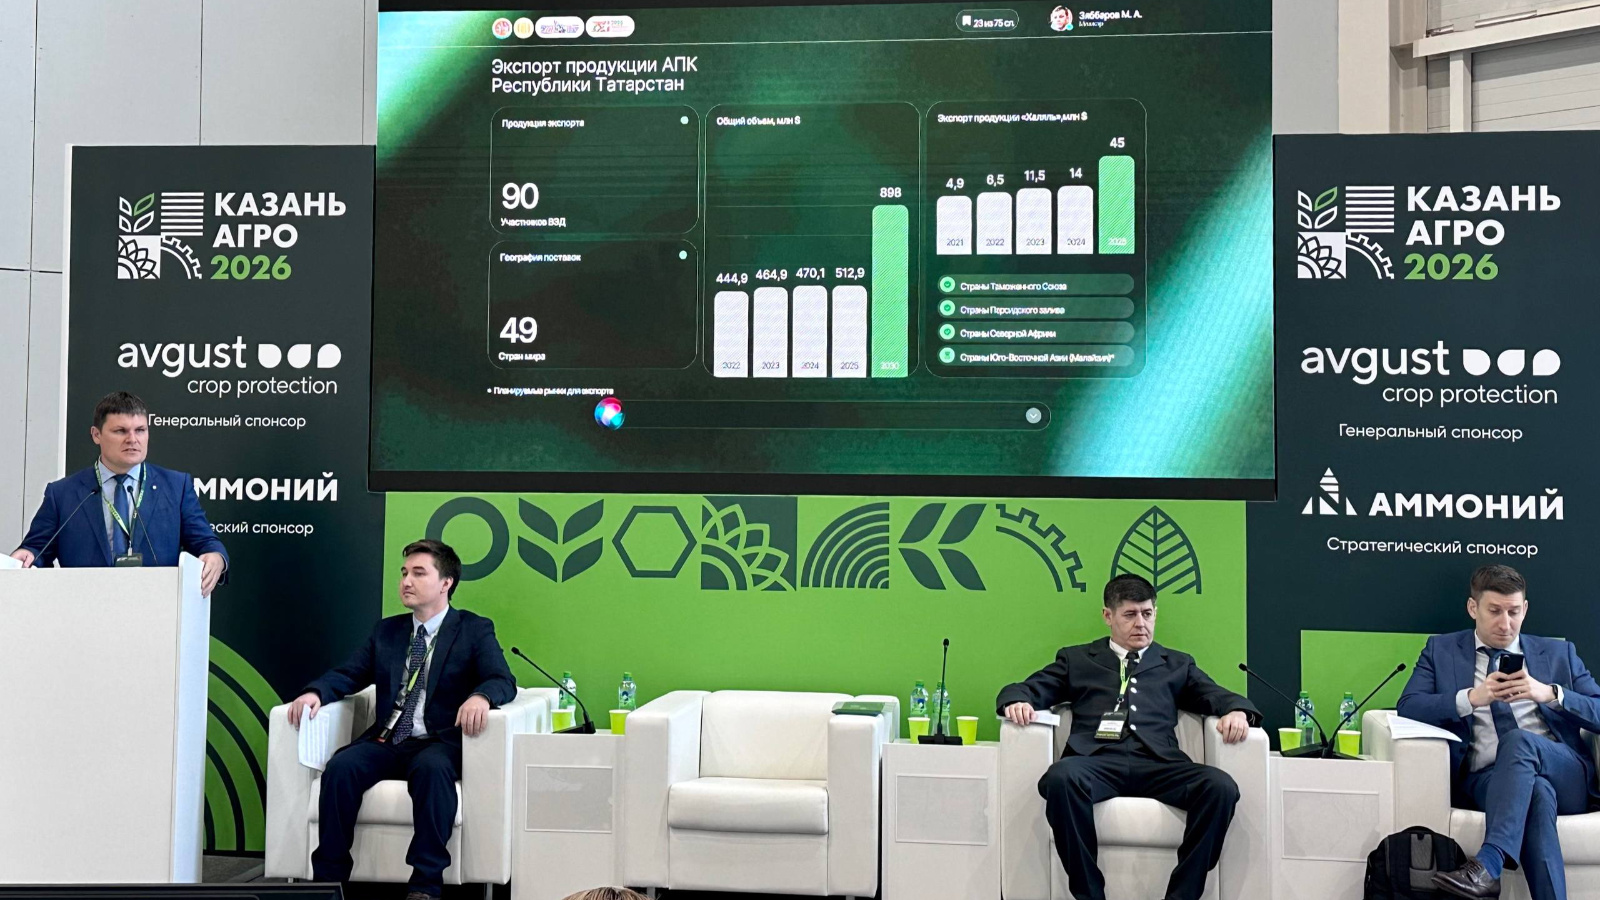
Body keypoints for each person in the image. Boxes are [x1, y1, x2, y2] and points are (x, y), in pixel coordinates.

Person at [995, 573, 1260, 900]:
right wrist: (1017, 701)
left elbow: (1216, 695)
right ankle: (1089, 895)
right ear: (1108, 616)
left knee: (1220, 787)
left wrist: (1236, 710)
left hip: (1159, 765)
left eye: (1147, 614)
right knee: (1061, 778)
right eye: (1130, 615)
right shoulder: (1078, 660)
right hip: (1096, 763)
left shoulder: (1176, 664)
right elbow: (1028, 688)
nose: (1141, 624)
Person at [288, 539, 518, 899]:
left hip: (438, 741)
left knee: (432, 771)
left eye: (419, 573)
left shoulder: (472, 629)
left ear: (446, 583)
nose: (406, 581)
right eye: (404, 573)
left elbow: (502, 679)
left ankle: (425, 885)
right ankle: (327, 882)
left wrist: (481, 696)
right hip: (388, 738)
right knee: (341, 768)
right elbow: (350, 673)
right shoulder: (388, 631)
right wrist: (316, 692)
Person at [1398, 564, 1600, 900]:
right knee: (1536, 793)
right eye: (1494, 611)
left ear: (1525, 609)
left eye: (1514, 612)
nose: (1506, 624)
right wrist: (1471, 698)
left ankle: (1489, 864)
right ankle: (1496, 872)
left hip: (1564, 771)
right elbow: (1409, 706)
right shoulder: (1441, 650)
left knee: (1519, 741)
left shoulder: (1558, 654)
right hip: (1488, 779)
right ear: (1473, 607)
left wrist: (1550, 693)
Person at [11, 390, 227, 594]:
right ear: (96, 435)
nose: (132, 439)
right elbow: (37, 550)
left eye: (140, 430)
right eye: (120, 431)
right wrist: (27, 556)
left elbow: (205, 542)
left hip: (157, 608)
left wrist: (216, 556)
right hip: (83, 607)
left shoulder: (176, 486)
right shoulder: (62, 494)